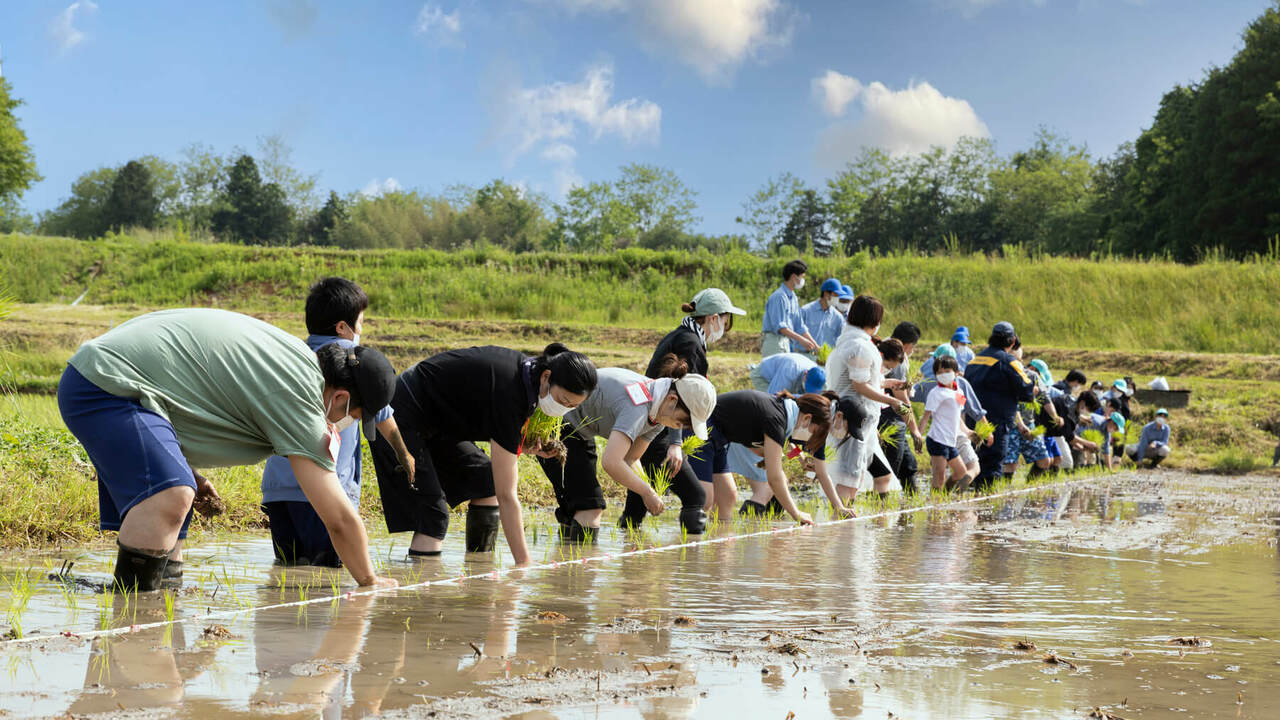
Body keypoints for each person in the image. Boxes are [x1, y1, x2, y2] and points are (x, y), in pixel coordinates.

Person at [57, 308, 398, 592]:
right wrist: (369, 580)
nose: (345, 423)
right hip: (105, 385)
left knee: (178, 495)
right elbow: (338, 519)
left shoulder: (294, 363)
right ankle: (133, 618)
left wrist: (184, 469)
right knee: (171, 494)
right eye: (353, 417)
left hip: (116, 376)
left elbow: (185, 390)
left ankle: (162, 607)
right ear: (340, 397)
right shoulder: (301, 396)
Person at [371, 343, 597, 564]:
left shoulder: (527, 377)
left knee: (486, 481)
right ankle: (425, 585)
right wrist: (523, 564)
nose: (564, 408)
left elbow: (486, 420)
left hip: (440, 425)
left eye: (572, 406)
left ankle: (479, 567)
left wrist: (520, 445)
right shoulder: (510, 391)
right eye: (563, 401)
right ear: (547, 377)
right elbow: (507, 496)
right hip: (399, 417)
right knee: (432, 516)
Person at [261, 278, 416, 568]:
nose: (361, 332)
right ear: (342, 327)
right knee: (326, 579)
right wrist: (403, 453)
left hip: (278, 490)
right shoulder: (350, 362)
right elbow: (381, 413)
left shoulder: (294, 357)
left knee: (289, 572)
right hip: (325, 492)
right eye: (360, 324)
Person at [537, 365, 717, 541]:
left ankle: (566, 555)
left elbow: (630, 458)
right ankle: (580, 559)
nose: (683, 427)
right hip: (556, 426)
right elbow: (611, 462)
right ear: (672, 399)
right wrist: (647, 493)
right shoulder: (638, 407)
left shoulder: (658, 413)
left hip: (579, 431)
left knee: (578, 506)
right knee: (589, 508)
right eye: (684, 421)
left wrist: (649, 490)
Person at [645, 287, 747, 496]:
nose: (725, 327)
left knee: (648, 496)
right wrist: (675, 442)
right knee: (695, 497)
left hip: (656, 423)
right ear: (713, 318)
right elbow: (679, 395)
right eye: (726, 321)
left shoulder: (683, 336)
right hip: (661, 427)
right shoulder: (690, 344)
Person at [696, 390, 847, 524]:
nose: (810, 438)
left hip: (721, 440)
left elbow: (773, 444)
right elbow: (774, 477)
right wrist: (796, 514)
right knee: (705, 499)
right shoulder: (777, 418)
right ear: (807, 418)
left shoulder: (788, 417)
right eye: (814, 432)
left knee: (727, 497)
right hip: (703, 428)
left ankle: (720, 541)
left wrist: (780, 457)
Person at [825, 295, 909, 497]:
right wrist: (892, 400)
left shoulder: (849, 342)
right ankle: (842, 515)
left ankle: (877, 516)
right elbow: (858, 385)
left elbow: (858, 381)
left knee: (882, 475)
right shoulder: (859, 346)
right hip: (853, 419)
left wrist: (885, 383)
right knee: (849, 477)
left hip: (862, 421)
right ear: (873, 320)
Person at [963, 321, 1035, 490]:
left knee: (975, 462)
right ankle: (987, 503)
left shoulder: (974, 361)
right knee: (992, 465)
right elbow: (1026, 389)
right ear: (1012, 341)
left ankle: (970, 499)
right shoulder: (1009, 361)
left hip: (973, 422)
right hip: (997, 423)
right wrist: (1034, 389)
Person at [879, 322, 924, 491]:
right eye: (913, 347)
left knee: (908, 465)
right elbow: (902, 400)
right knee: (890, 468)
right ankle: (881, 504)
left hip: (889, 417)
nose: (912, 350)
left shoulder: (885, 345)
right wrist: (914, 429)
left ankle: (912, 501)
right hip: (889, 420)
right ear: (908, 345)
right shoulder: (898, 358)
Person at [919, 356, 974, 491]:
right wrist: (918, 437)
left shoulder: (959, 392)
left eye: (947, 371)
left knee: (961, 472)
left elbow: (957, 416)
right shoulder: (936, 393)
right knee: (939, 477)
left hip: (950, 441)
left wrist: (967, 431)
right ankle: (935, 502)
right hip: (937, 440)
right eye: (939, 372)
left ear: (956, 373)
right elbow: (926, 417)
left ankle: (945, 495)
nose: (943, 375)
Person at [761, 259, 817, 357]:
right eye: (802, 277)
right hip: (774, 342)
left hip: (786, 342)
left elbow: (799, 326)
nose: (803, 281)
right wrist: (801, 340)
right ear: (794, 277)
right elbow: (781, 328)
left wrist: (815, 345)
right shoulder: (779, 297)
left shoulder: (793, 298)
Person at [799, 279, 849, 352]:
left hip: (825, 357)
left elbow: (841, 338)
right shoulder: (806, 311)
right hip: (805, 354)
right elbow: (796, 332)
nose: (837, 298)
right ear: (826, 294)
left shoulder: (838, 317)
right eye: (836, 295)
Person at [748, 352, 827, 396]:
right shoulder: (790, 371)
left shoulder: (819, 373)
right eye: (808, 384)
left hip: (788, 374)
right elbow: (775, 396)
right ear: (805, 374)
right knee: (771, 402)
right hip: (763, 376)